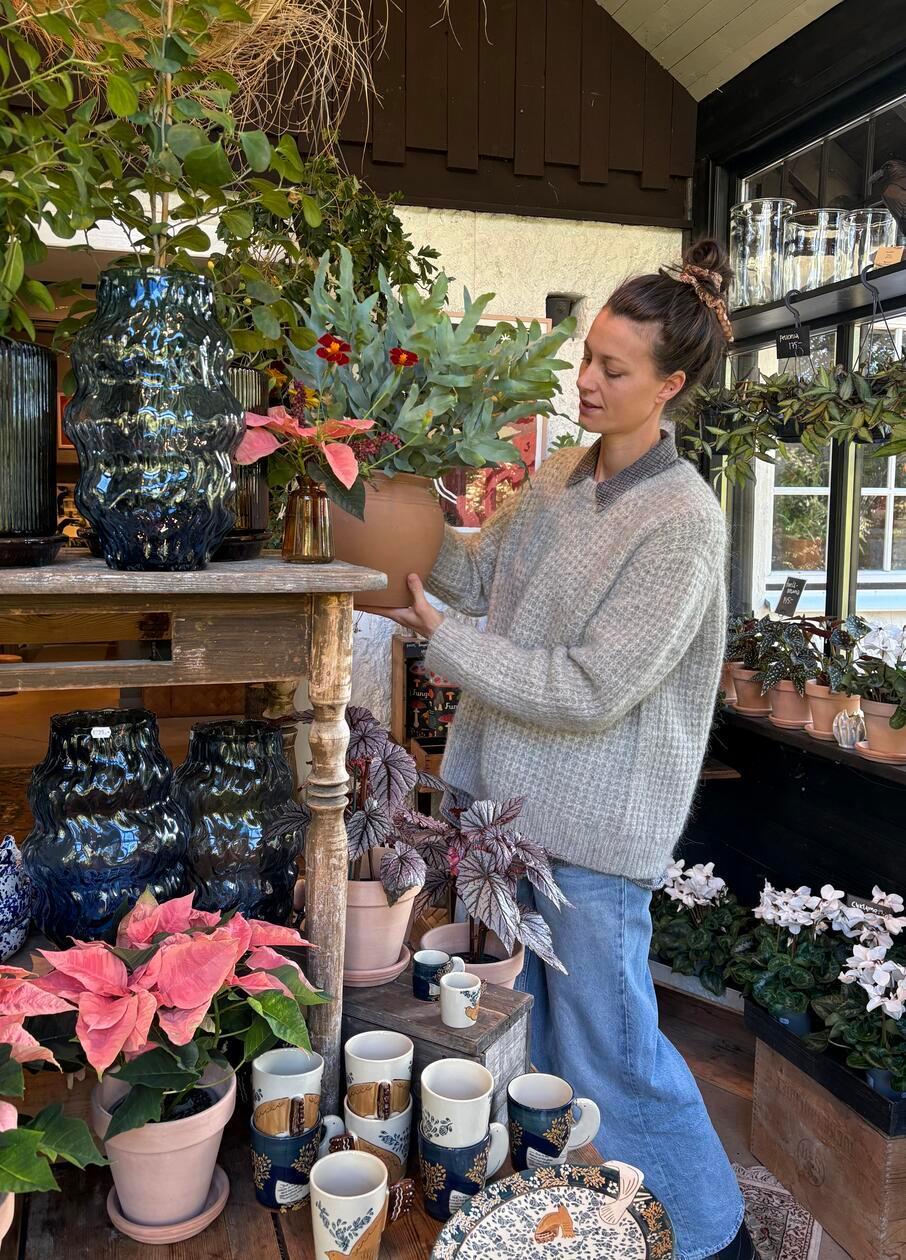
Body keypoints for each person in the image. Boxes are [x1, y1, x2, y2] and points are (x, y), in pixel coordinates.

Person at [374, 239, 755, 1260]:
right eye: (588, 355)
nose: (585, 380)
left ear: (670, 386)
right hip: (504, 812)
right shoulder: (557, 475)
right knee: (528, 1046)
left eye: (615, 368)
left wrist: (442, 641)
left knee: (614, 1053)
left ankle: (715, 1235)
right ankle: (581, 1221)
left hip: (592, 836)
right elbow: (469, 576)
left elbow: (594, 691)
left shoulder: (682, 521)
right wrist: (399, 509)